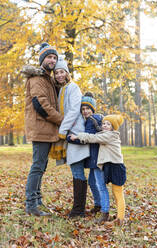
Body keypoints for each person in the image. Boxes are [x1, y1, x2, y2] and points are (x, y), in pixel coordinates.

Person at [24, 42, 63, 216]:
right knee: (38, 166)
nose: (52, 60)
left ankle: (37, 200)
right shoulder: (37, 79)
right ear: (42, 59)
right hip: (41, 127)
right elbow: (41, 104)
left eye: (54, 57)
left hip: (46, 129)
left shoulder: (48, 79)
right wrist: (61, 120)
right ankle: (31, 204)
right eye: (49, 57)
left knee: (42, 166)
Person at [70, 115, 126, 225]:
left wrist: (77, 136)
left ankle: (120, 219)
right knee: (115, 192)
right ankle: (119, 216)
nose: (105, 125)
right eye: (104, 123)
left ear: (113, 127)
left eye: (108, 124)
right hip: (110, 166)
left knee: (118, 193)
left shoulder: (110, 135)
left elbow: (93, 138)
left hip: (116, 167)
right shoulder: (105, 134)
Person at [53, 57, 90, 218]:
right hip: (69, 134)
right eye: (56, 73)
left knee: (77, 171)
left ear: (67, 73)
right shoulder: (62, 89)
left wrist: (63, 130)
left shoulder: (73, 87)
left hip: (76, 134)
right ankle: (79, 208)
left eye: (62, 72)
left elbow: (74, 110)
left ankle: (78, 210)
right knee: (76, 171)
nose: (59, 75)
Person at [67, 92, 103, 214]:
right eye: (83, 109)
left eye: (88, 108)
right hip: (96, 157)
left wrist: (71, 138)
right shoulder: (93, 119)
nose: (85, 111)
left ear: (92, 109)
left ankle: (102, 207)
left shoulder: (92, 120)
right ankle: (99, 205)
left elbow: (87, 138)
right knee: (93, 182)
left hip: (98, 157)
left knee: (97, 182)